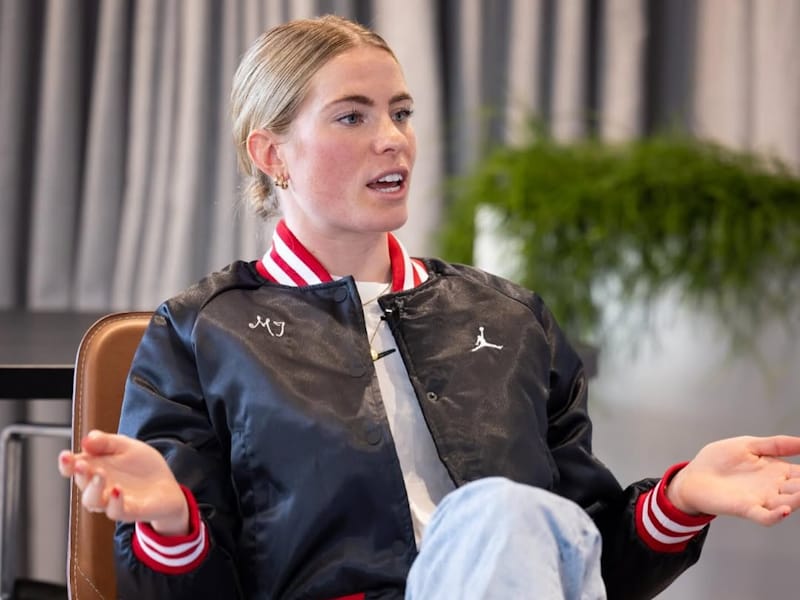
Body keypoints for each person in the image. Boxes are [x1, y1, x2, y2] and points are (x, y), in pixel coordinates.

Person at [57, 14, 800, 600]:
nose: (394, 141)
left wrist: (681, 498)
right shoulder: (202, 332)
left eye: (402, 112)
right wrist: (173, 522)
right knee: (502, 513)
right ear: (272, 154)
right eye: (352, 117)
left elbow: (582, 560)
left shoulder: (510, 319)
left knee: (511, 518)